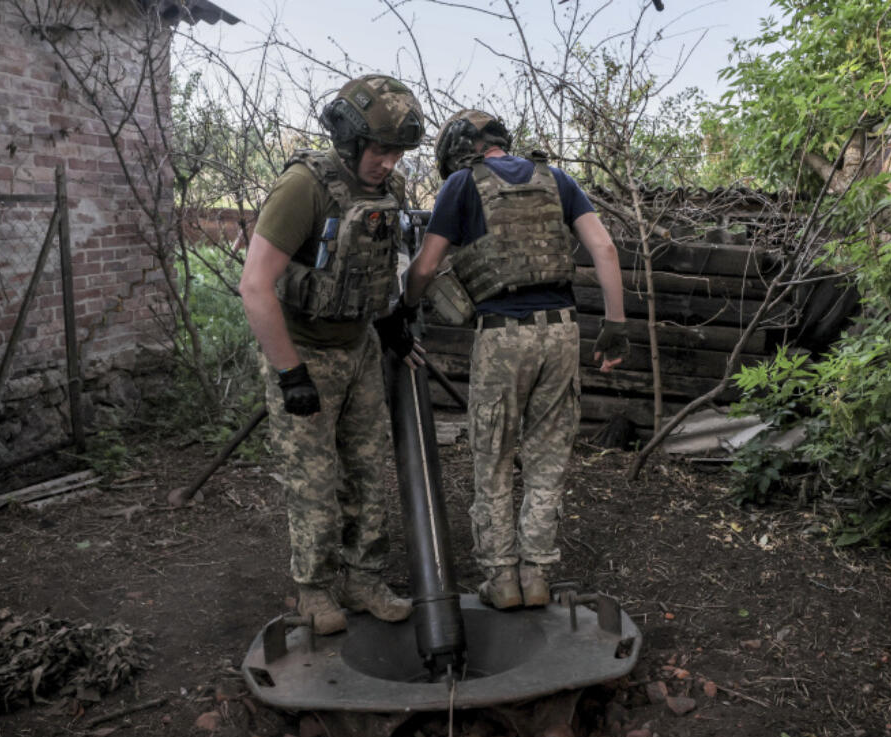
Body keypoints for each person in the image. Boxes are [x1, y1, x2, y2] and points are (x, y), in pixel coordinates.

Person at [398, 109, 628, 610]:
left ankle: (502, 579)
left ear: (459, 149)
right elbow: (605, 249)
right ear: (502, 141)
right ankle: (538, 574)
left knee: (494, 456)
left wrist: (406, 304)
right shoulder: (557, 178)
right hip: (563, 332)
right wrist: (615, 326)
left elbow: (427, 266)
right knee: (548, 459)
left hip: (502, 338)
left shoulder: (461, 185)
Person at [238, 74, 424, 635]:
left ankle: (363, 579)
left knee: (369, 475)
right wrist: (289, 371)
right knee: (314, 484)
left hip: (359, 349)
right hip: (305, 352)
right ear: (349, 138)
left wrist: (390, 322)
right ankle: (314, 590)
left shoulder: (385, 193)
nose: (389, 162)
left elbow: (377, 268)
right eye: (381, 149)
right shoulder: (304, 187)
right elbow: (254, 284)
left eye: (397, 152)